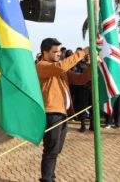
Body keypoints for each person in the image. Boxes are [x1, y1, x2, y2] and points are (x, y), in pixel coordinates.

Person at [36, 38, 91, 182]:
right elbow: (61, 67)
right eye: (55, 51)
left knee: (56, 149)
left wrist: (92, 66)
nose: (58, 54)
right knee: (51, 150)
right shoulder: (41, 65)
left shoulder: (59, 68)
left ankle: (50, 176)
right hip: (51, 113)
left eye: (59, 51)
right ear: (44, 52)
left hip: (63, 114)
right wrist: (81, 53)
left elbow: (80, 80)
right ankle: (47, 179)